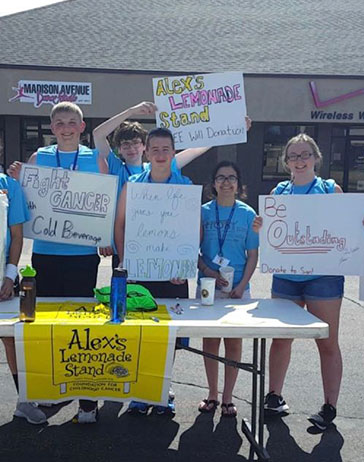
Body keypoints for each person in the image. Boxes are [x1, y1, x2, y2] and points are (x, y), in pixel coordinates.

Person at [8, 102, 108, 424]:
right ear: (53, 128)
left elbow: (105, 202)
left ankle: (87, 401)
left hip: (82, 257)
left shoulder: (97, 160)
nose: (66, 128)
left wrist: (106, 235)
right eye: (60, 123)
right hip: (46, 255)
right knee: (46, 327)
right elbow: (25, 202)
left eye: (72, 122)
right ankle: (48, 393)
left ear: (82, 127)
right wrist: (19, 179)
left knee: (82, 328)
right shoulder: (39, 159)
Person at [253, 133, 344, 431]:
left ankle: (329, 405)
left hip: (324, 277)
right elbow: (270, 232)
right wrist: (260, 226)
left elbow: (346, 229)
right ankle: (274, 397)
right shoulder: (279, 191)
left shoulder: (331, 190)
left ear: (316, 158)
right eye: (293, 156)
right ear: (286, 162)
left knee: (327, 342)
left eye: (305, 154)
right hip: (287, 276)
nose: (299, 160)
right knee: (281, 339)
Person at [114, 127, 193, 415]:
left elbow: (192, 231)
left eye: (166, 149)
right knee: (140, 331)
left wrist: (184, 266)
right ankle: (141, 389)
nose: (160, 154)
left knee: (168, 334)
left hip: (173, 274)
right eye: (155, 149)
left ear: (173, 153)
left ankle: (162, 387)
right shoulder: (132, 185)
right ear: (146, 152)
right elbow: (120, 225)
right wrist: (126, 261)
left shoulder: (185, 186)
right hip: (139, 271)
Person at [93, 101, 219, 264]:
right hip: (127, 248)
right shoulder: (117, 168)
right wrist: (131, 111)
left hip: (164, 246)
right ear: (119, 149)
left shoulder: (161, 165)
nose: (131, 148)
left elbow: (195, 150)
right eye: (125, 144)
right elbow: (98, 134)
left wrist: (231, 130)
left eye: (135, 143)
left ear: (144, 147)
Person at [197, 161, 259, 417]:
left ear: (238, 184)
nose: (226, 182)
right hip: (208, 286)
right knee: (210, 342)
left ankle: (227, 397)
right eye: (220, 177)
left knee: (233, 343)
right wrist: (208, 271)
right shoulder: (202, 212)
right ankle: (212, 393)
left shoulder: (247, 214)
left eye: (231, 178)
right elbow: (192, 249)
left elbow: (252, 254)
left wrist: (242, 285)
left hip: (238, 290)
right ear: (213, 184)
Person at [0, 174, 46, 424]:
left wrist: (9, 277)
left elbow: (16, 236)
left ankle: (24, 402)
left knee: (10, 339)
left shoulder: (9, 185)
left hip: (2, 280)